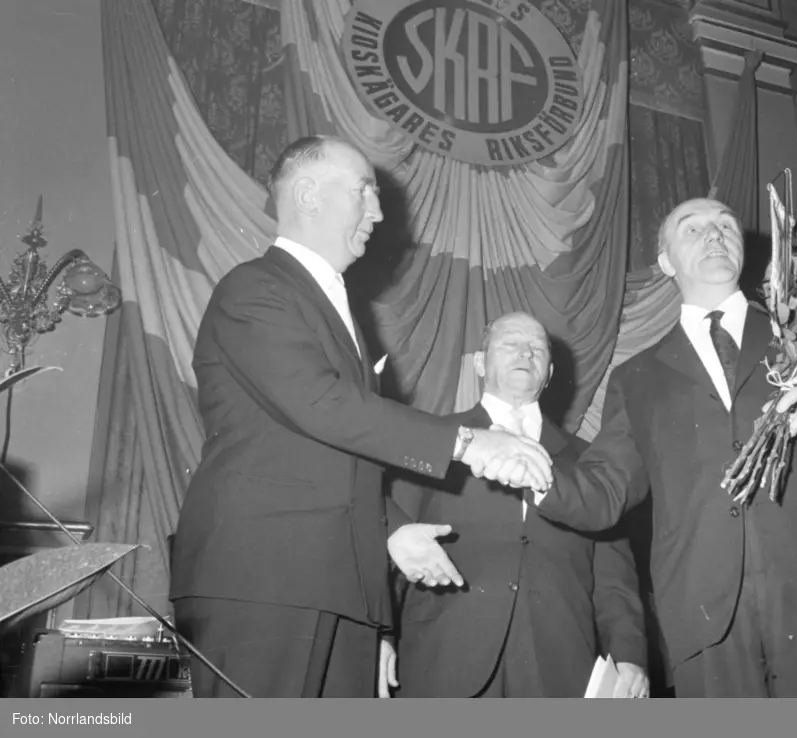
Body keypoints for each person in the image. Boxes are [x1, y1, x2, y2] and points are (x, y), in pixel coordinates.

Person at [169, 135, 553, 699]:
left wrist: (393, 533)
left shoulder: (333, 306)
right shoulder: (254, 289)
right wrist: (469, 442)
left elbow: (338, 455)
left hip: (337, 585)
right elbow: (322, 406)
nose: (378, 213)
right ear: (307, 195)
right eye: (364, 193)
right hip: (265, 578)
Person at [504, 197, 797, 697]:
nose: (714, 235)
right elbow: (606, 487)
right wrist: (531, 472)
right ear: (667, 262)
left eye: (725, 225)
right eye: (692, 229)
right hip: (703, 609)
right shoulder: (637, 377)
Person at [390, 312, 650, 698]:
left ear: (548, 373)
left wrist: (628, 655)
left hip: (559, 671)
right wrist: (378, 633)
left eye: (537, 348)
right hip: (444, 663)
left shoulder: (591, 461)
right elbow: (391, 540)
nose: (524, 353)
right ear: (480, 362)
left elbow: (613, 578)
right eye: (510, 343)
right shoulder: (432, 441)